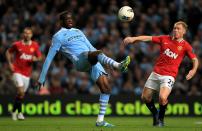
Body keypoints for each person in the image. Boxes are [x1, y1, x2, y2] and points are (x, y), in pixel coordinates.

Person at [37, 11, 130, 127]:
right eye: (67, 19)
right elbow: (49, 58)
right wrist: (42, 78)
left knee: (106, 88)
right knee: (92, 53)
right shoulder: (58, 36)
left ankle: (100, 121)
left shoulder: (78, 31)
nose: (70, 20)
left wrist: (102, 59)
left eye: (71, 18)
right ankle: (118, 66)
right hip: (80, 61)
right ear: (61, 22)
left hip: (91, 58)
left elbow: (91, 47)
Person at [122, 21, 198, 127]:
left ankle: (161, 119)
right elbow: (148, 38)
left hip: (169, 75)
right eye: (174, 28)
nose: (175, 30)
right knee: (145, 97)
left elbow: (195, 59)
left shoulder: (186, 46)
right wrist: (134, 39)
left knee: (162, 97)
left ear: (184, 31)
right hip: (156, 73)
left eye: (178, 29)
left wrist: (193, 70)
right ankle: (155, 114)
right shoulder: (164, 38)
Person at [6, 27, 42, 120]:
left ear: (31, 35)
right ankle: (20, 113)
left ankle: (14, 111)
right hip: (17, 71)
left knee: (21, 95)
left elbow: (40, 57)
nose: (27, 35)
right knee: (21, 92)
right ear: (23, 34)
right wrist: (10, 63)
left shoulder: (35, 45)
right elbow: (8, 52)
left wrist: (36, 59)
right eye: (25, 33)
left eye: (29, 33)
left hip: (27, 74)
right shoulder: (17, 44)